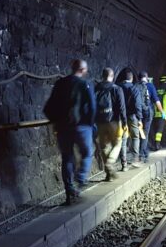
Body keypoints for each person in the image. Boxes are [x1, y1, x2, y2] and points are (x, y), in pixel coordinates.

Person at [44, 59, 96, 204]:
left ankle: (69, 190)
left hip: (63, 128)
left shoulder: (60, 83)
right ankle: (81, 177)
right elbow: (92, 107)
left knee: (67, 157)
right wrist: (90, 125)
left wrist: (56, 122)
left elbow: (48, 107)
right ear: (83, 70)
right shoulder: (85, 84)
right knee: (87, 152)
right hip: (81, 127)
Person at [94, 68, 126, 181]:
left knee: (104, 147)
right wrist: (125, 122)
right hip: (114, 122)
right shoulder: (117, 89)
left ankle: (109, 175)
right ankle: (110, 162)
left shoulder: (96, 88)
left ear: (102, 76)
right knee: (117, 143)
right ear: (112, 76)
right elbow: (122, 107)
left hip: (100, 122)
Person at [116, 69, 143, 171]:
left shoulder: (118, 87)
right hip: (132, 116)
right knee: (135, 137)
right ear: (131, 78)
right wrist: (139, 118)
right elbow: (137, 105)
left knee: (123, 139)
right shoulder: (134, 88)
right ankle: (135, 159)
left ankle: (124, 164)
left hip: (120, 117)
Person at [136, 72, 161, 163]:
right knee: (144, 133)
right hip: (147, 112)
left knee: (138, 133)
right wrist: (162, 112)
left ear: (139, 78)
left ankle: (143, 151)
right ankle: (142, 155)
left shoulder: (135, 86)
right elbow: (156, 100)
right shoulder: (150, 86)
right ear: (146, 77)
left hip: (137, 113)